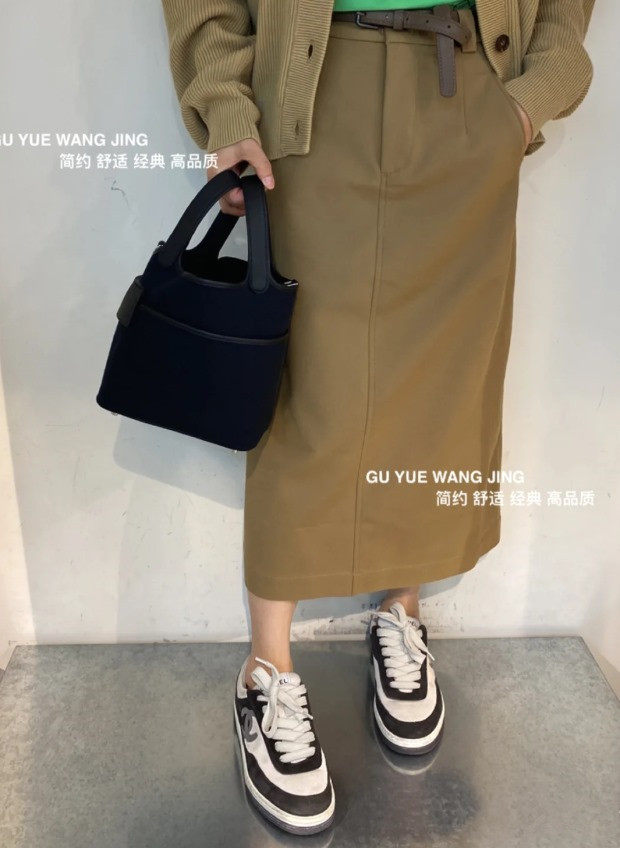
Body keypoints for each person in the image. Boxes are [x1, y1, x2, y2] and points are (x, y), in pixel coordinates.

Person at [160, 0, 595, 835]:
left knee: (441, 377)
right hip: (312, 91)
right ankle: (266, 668)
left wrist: (525, 101)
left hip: (468, 85)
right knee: (301, 383)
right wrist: (227, 105)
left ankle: (402, 611)